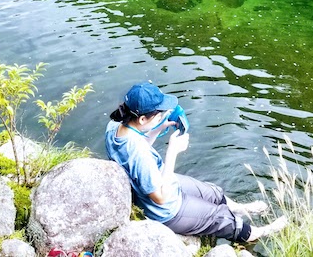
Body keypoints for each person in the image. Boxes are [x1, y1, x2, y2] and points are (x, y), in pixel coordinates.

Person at [105, 82, 287, 242]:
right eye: (158, 115)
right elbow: (159, 198)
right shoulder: (139, 153)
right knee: (221, 218)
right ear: (143, 118)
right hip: (166, 210)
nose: (162, 116)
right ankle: (261, 231)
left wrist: (157, 127)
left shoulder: (115, 126)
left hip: (160, 180)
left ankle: (241, 208)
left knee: (212, 192)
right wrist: (172, 151)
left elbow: (137, 150)